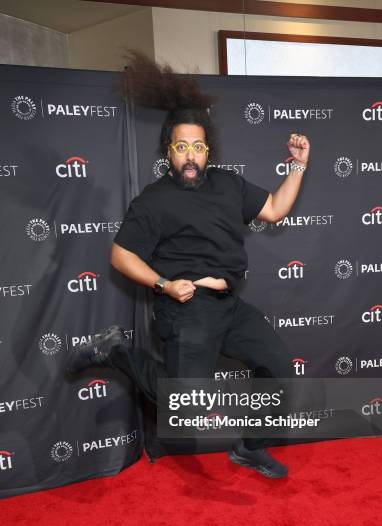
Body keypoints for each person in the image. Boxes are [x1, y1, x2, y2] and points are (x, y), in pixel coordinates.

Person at [66, 53, 310, 478]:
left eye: (198, 146)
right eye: (182, 146)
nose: (191, 155)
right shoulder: (155, 198)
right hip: (187, 306)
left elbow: (274, 209)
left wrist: (298, 165)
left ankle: (251, 448)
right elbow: (120, 255)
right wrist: (163, 283)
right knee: (189, 407)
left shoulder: (228, 184)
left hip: (230, 305)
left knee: (280, 370)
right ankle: (117, 353)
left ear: (207, 149)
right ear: (169, 151)